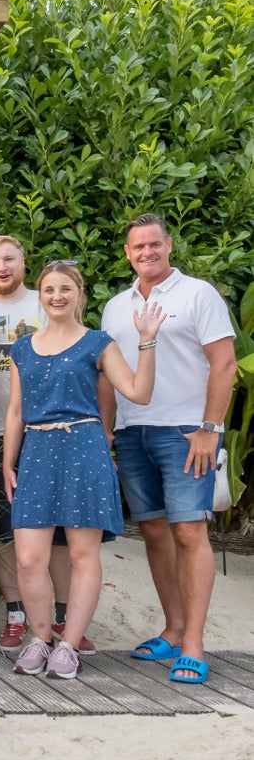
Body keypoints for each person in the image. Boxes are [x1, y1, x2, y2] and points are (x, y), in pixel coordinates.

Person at [4, 260, 164, 680]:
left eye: (65, 289)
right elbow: (16, 410)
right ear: (40, 295)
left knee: (81, 555)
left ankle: (69, 646)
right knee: (28, 558)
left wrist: (147, 342)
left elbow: (138, 392)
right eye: (48, 290)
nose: (56, 296)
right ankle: (40, 639)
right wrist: (6, 461)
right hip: (36, 452)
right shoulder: (22, 347)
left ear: (79, 293)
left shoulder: (98, 342)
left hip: (83, 449)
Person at [102, 213, 236, 685]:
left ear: (169, 245)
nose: (147, 253)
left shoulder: (198, 294)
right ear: (127, 253)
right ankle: (174, 629)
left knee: (188, 534)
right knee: (155, 535)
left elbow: (224, 365)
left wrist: (208, 428)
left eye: (154, 245)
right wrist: (107, 430)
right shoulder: (115, 307)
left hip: (185, 432)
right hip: (134, 432)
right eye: (138, 247)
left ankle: (195, 644)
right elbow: (108, 374)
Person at [0, 236, 92, 653]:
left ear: (24, 263)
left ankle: (63, 617)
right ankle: (15, 615)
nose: (2, 267)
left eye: (9, 259)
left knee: (61, 531)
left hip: (50, 436)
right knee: (5, 530)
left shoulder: (46, 302)